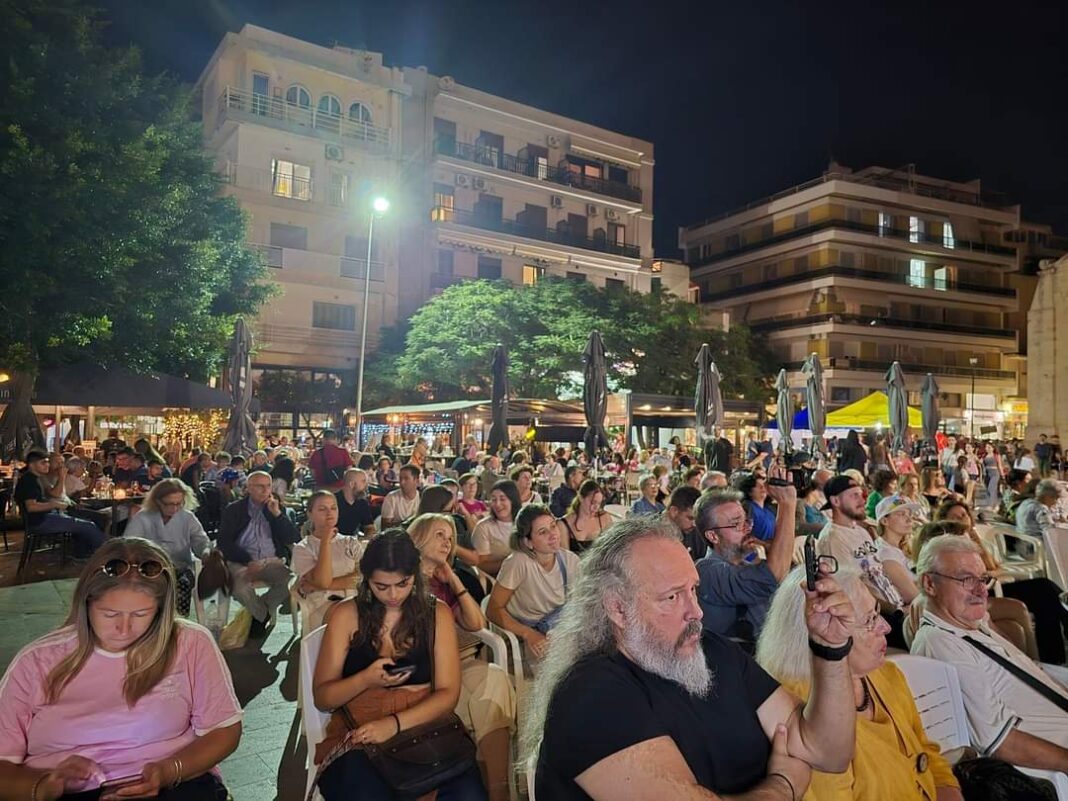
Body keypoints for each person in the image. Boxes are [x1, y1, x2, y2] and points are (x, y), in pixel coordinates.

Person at [525, 517, 857, 799]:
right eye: (671, 596)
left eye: (693, 589)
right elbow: (798, 765)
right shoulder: (591, 695)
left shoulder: (712, 651)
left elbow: (828, 752)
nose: (696, 611)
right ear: (617, 608)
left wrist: (830, 649)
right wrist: (782, 785)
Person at [0, 537, 241, 799]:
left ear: (160, 610)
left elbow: (224, 729)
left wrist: (168, 771)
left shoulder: (190, 642)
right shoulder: (36, 661)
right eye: (109, 614)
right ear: (86, 603)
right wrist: (44, 786)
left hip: (175, 783)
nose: (124, 629)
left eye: (141, 615)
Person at [758, 566, 962, 800]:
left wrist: (950, 790)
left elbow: (927, 753)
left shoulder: (887, 674)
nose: (885, 627)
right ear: (819, 629)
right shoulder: (797, 713)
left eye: (877, 612)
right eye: (869, 620)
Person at [310, 531, 486, 800]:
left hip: (423, 722)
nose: (393, 595)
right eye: (381, 586)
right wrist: (365, 680)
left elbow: (448, 693)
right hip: (360, 727)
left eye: (403, 584)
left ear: (415, 576)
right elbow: (323, 698)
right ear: (367, 580)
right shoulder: (346, 614)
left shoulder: (436, 613)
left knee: (468, 794)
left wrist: (393, 724)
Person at [911, 535, 1068, 772]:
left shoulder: (966, 624)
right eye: (965, 579)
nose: (981, 590)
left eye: (983, 579)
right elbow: (1000, 743)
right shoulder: (941, 642)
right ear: (930, 584)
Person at [409, 514, 515, 801]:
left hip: (460, 662)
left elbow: (476, 622)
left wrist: (453, 578)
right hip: (422, 671)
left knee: (494, 679)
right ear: (418, 537)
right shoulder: (400, 580)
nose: (448, 542)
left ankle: (499, 789)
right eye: (439, 535)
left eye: (450, 537)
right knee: (481, 694)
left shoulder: (444, 582)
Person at [937, 497, 1068, 664]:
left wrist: (989, 567)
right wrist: (989, 573)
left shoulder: (971, 538)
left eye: (964, 514)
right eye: (955, 517)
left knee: (1046, 593)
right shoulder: (952, 546)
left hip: (992, 584)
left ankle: (1053, 656)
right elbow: (982, 573)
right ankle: (1052, 657)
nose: (962, 519)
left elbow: (994, 566)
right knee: (1044, 590)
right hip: (980, 591)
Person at [693, 481, 796, 649]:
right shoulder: (706, 571)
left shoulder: (748, 564)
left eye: (746, 521)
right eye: (736, 524)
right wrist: (787, 504)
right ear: (713, 536)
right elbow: (771, 577)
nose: (747, 529)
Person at [487, 503, 581, 664]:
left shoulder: (570, 561)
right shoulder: (519, 562)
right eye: (542, 532)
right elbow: (492, 610)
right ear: (528, 542)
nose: (553, 535)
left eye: (553, 526)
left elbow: (578, 603)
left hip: (556, 626)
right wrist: (528, 634)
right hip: (526, 632)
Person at [216, 470, 300, 638]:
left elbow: (293, 537)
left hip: (270, 561)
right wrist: (247, 561)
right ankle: (261, 616)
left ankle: (259, 615)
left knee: (291, 583)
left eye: (268, 486)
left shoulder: (275, 508)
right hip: (240, 561)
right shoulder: (234, 510)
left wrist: (277, 515)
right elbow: (224, 543)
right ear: (248, 488)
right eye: (260, 486)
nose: (265, 490)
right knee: (239, 587)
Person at [124, 478, 212, 617]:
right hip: (148, 567)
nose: (175, 508)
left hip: (180, 567)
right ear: (158, 501)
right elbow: (129, 544)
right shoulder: (143, 517)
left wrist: (206, 552)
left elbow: (200, 539)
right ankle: (150, 622)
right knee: (145, 586)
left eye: (179, 503)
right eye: (169, 504)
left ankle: (178, 622)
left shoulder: (187, 517)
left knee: (182, 582)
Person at [14, 448, 105, 559]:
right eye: (43, 462)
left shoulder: (35, 478)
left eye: (47, 462)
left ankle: (83, 555)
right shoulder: (29, 481)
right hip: (40, 521)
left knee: (87, 522)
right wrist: (55, 504)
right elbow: (31, 507)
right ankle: (107, 557)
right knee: (88, 526)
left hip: (47, 516)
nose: (47, 465)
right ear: (32, 465)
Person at [292, 490, 364, 630]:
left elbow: (362, 578)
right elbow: (323, 581)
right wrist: (325, 542)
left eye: (333, 508)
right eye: (322, 509)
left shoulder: (350, 542)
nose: (329, 513)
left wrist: (316, 585)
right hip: (322, 605)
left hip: (354, 601)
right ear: (310, 514)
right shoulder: (303, 548)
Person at [871, 494, 922, 606]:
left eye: (909, 514)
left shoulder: (899, 547)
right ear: (885, 521)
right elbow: (914, 597)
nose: (909, 519)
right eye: (901, 514)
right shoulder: (885, 554)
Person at [470, 480, 521, 577]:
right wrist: (512, 561)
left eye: (502, 499)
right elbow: (480, 565)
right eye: (493, 500)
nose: (497, 504)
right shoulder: (484, 527)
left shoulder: (524, 523)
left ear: (513, 500)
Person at [556, 479, 610, 553]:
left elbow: (611, 551)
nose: (596, 508)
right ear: (581, 498)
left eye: (599, 503)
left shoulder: (605, 518)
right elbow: (565, 559)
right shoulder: (563, 524)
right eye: (593, 502)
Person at [731, 471, 776, 541]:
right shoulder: (747, 507)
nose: (762, 488)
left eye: (764, 485)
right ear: (749, 491)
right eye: (757, 486)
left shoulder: (770, 509)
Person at [664, 485, 702, 560]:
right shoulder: (650, 535)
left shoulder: (689, 532)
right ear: (674, 511)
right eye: (690, 518)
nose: (694, 524)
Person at [335, 467, 375, 537]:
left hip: (352, 542)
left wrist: (366, 537)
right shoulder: (333, 502)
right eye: (363, 481)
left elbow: (369, 527)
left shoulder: (362, 502)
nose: (366, 486)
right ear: (352, 484)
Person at [380, 464, 421, 528]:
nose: (402, 482)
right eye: (400, 478)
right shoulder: (391, 498)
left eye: (406, 478)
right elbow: (385, 527)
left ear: (416, 481)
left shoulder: (422, 498)